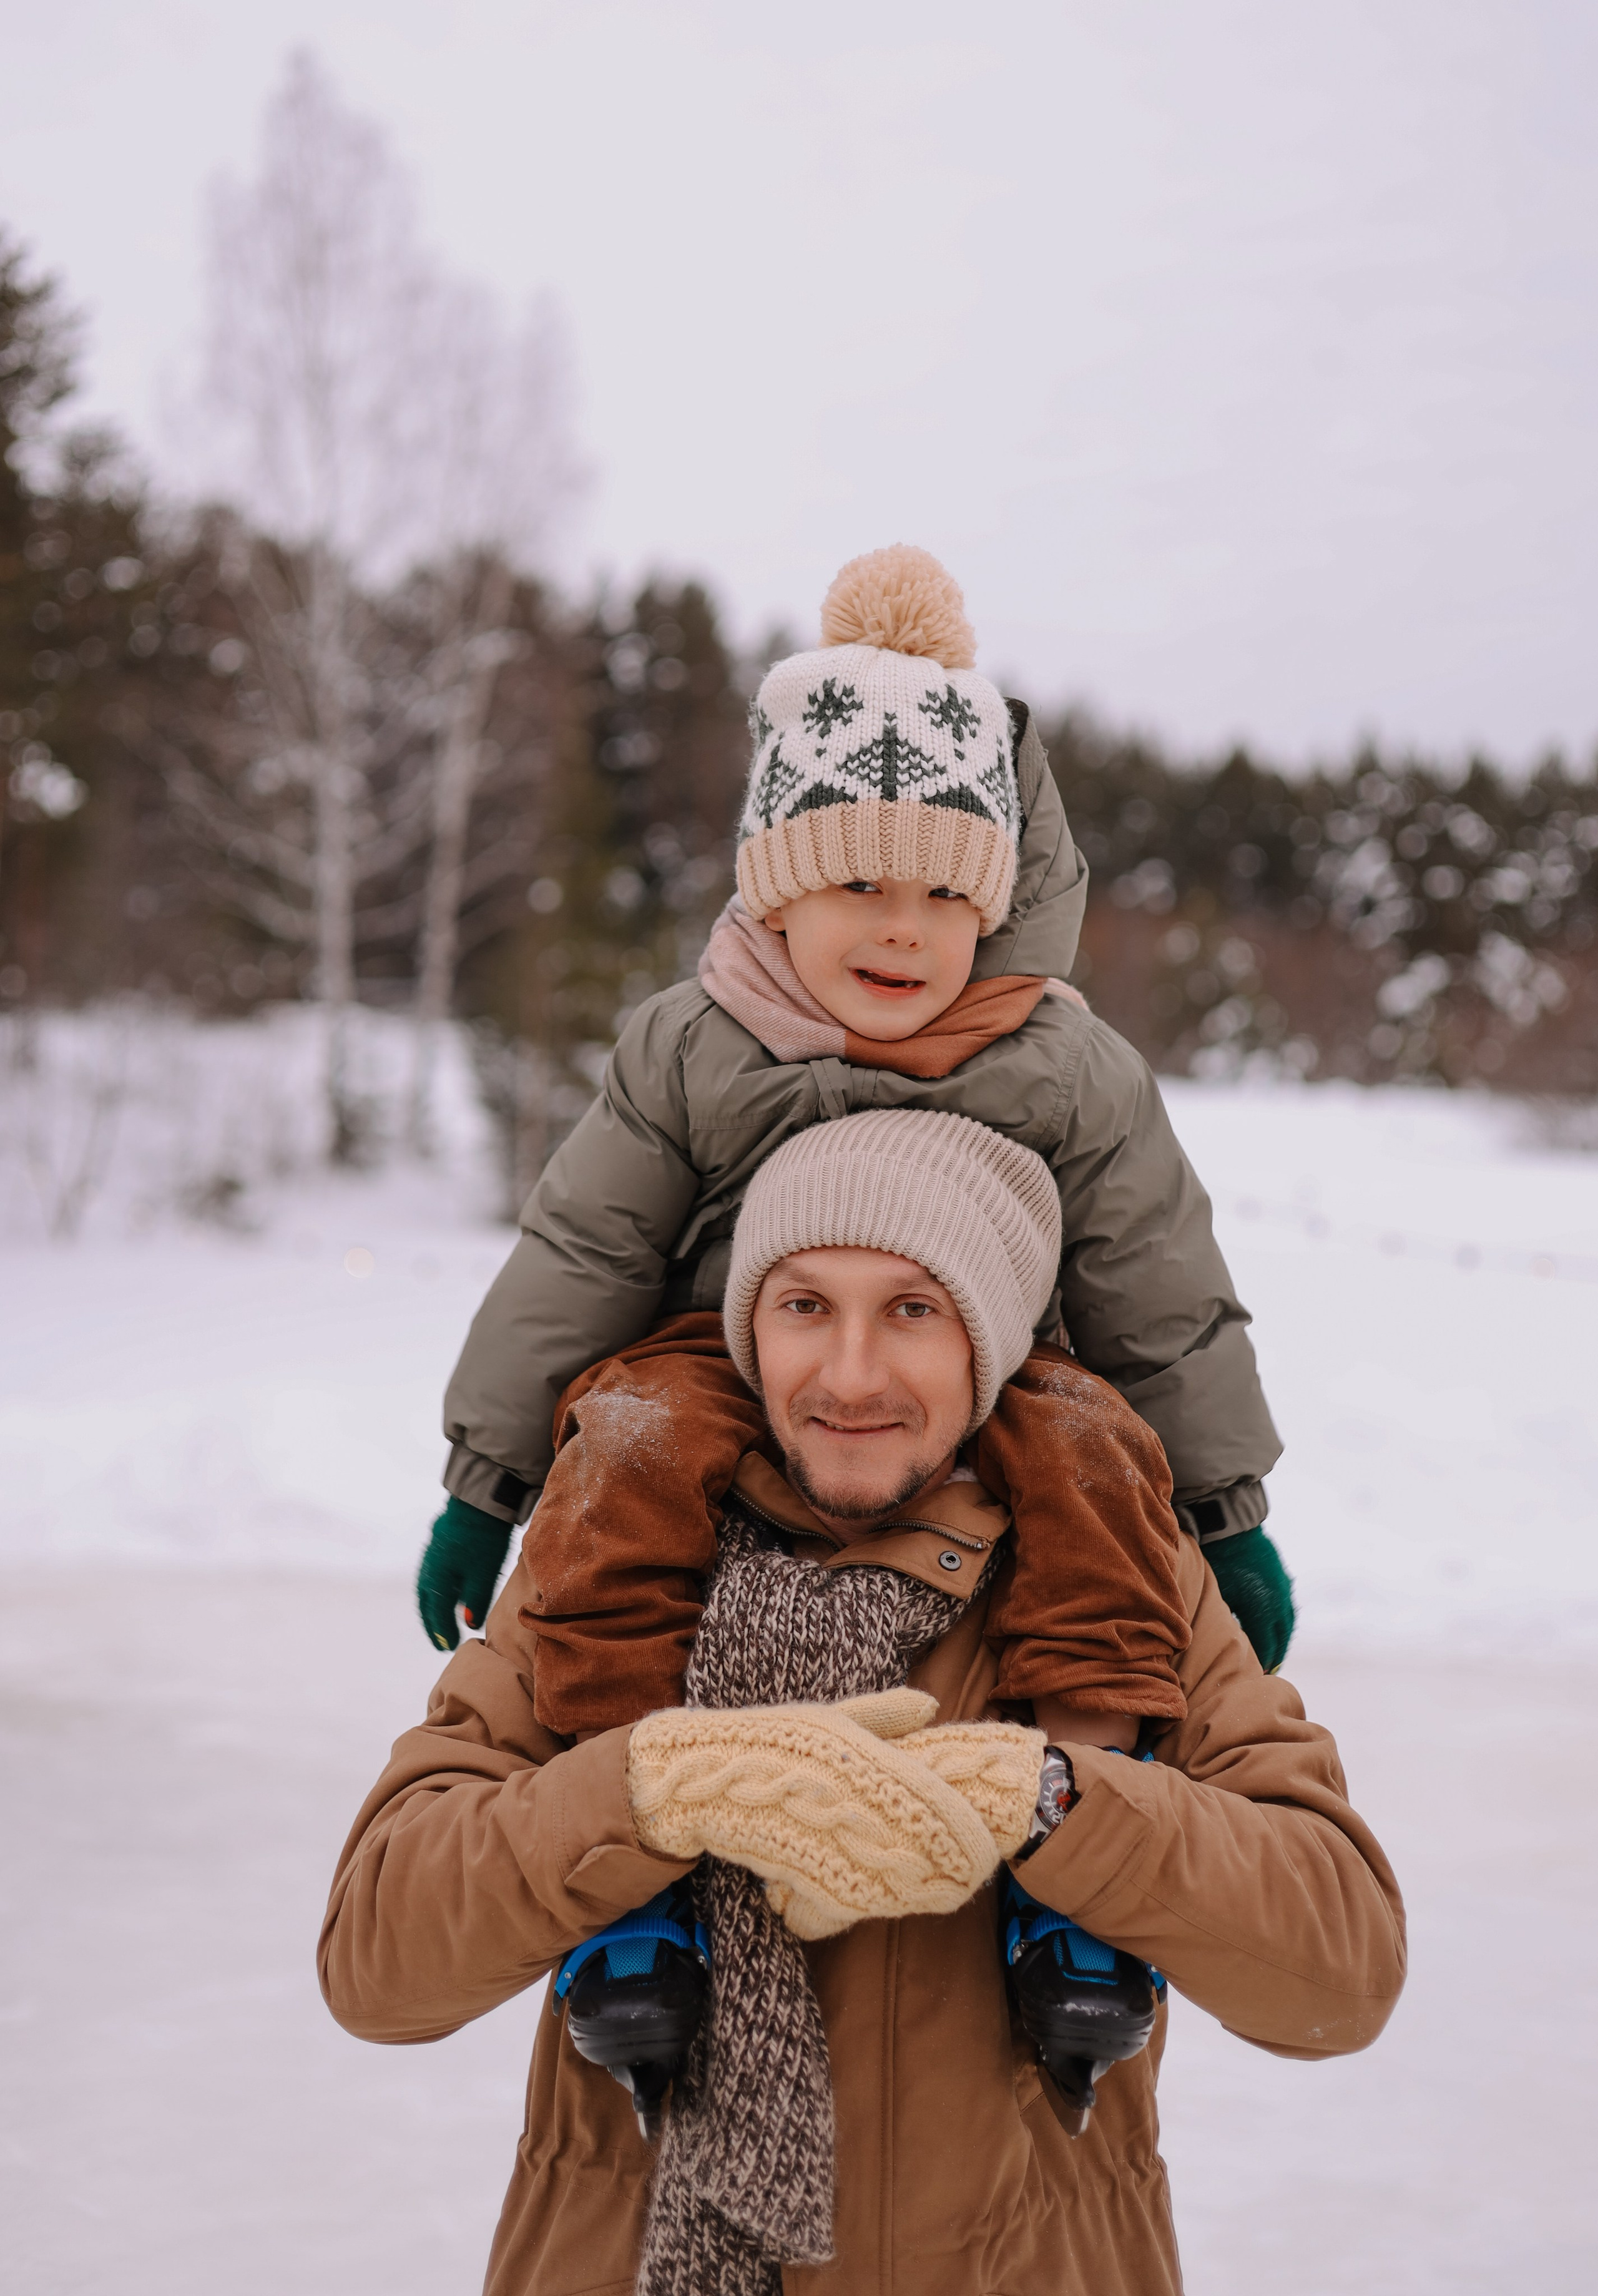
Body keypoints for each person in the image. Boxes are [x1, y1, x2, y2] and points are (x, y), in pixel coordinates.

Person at [323, 1115, 1405, 2296]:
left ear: (986, 1337)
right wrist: (650, 1789)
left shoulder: (1125, 1574)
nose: (848, 1376)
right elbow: (380, 1963)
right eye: (803, 1306)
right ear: (749, 1325)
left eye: (912, 1310)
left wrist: (1057, 1802)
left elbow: (1340, 1973)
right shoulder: (605, 1559)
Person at [418, 546, 1293, 1680]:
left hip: (983, 1369)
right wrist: (486, 1487)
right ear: (782, 896)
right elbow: (587, 1251)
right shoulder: (698, 1044)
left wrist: (1228, 1515)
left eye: (945, 897)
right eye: (861, 889)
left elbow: (1158, 1290)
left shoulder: (1068, 1067)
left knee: (1088, 1448)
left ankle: (1090, 1730)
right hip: (728, 1358)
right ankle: (613, 1730)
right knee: (633, 1439)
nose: (903, 931)